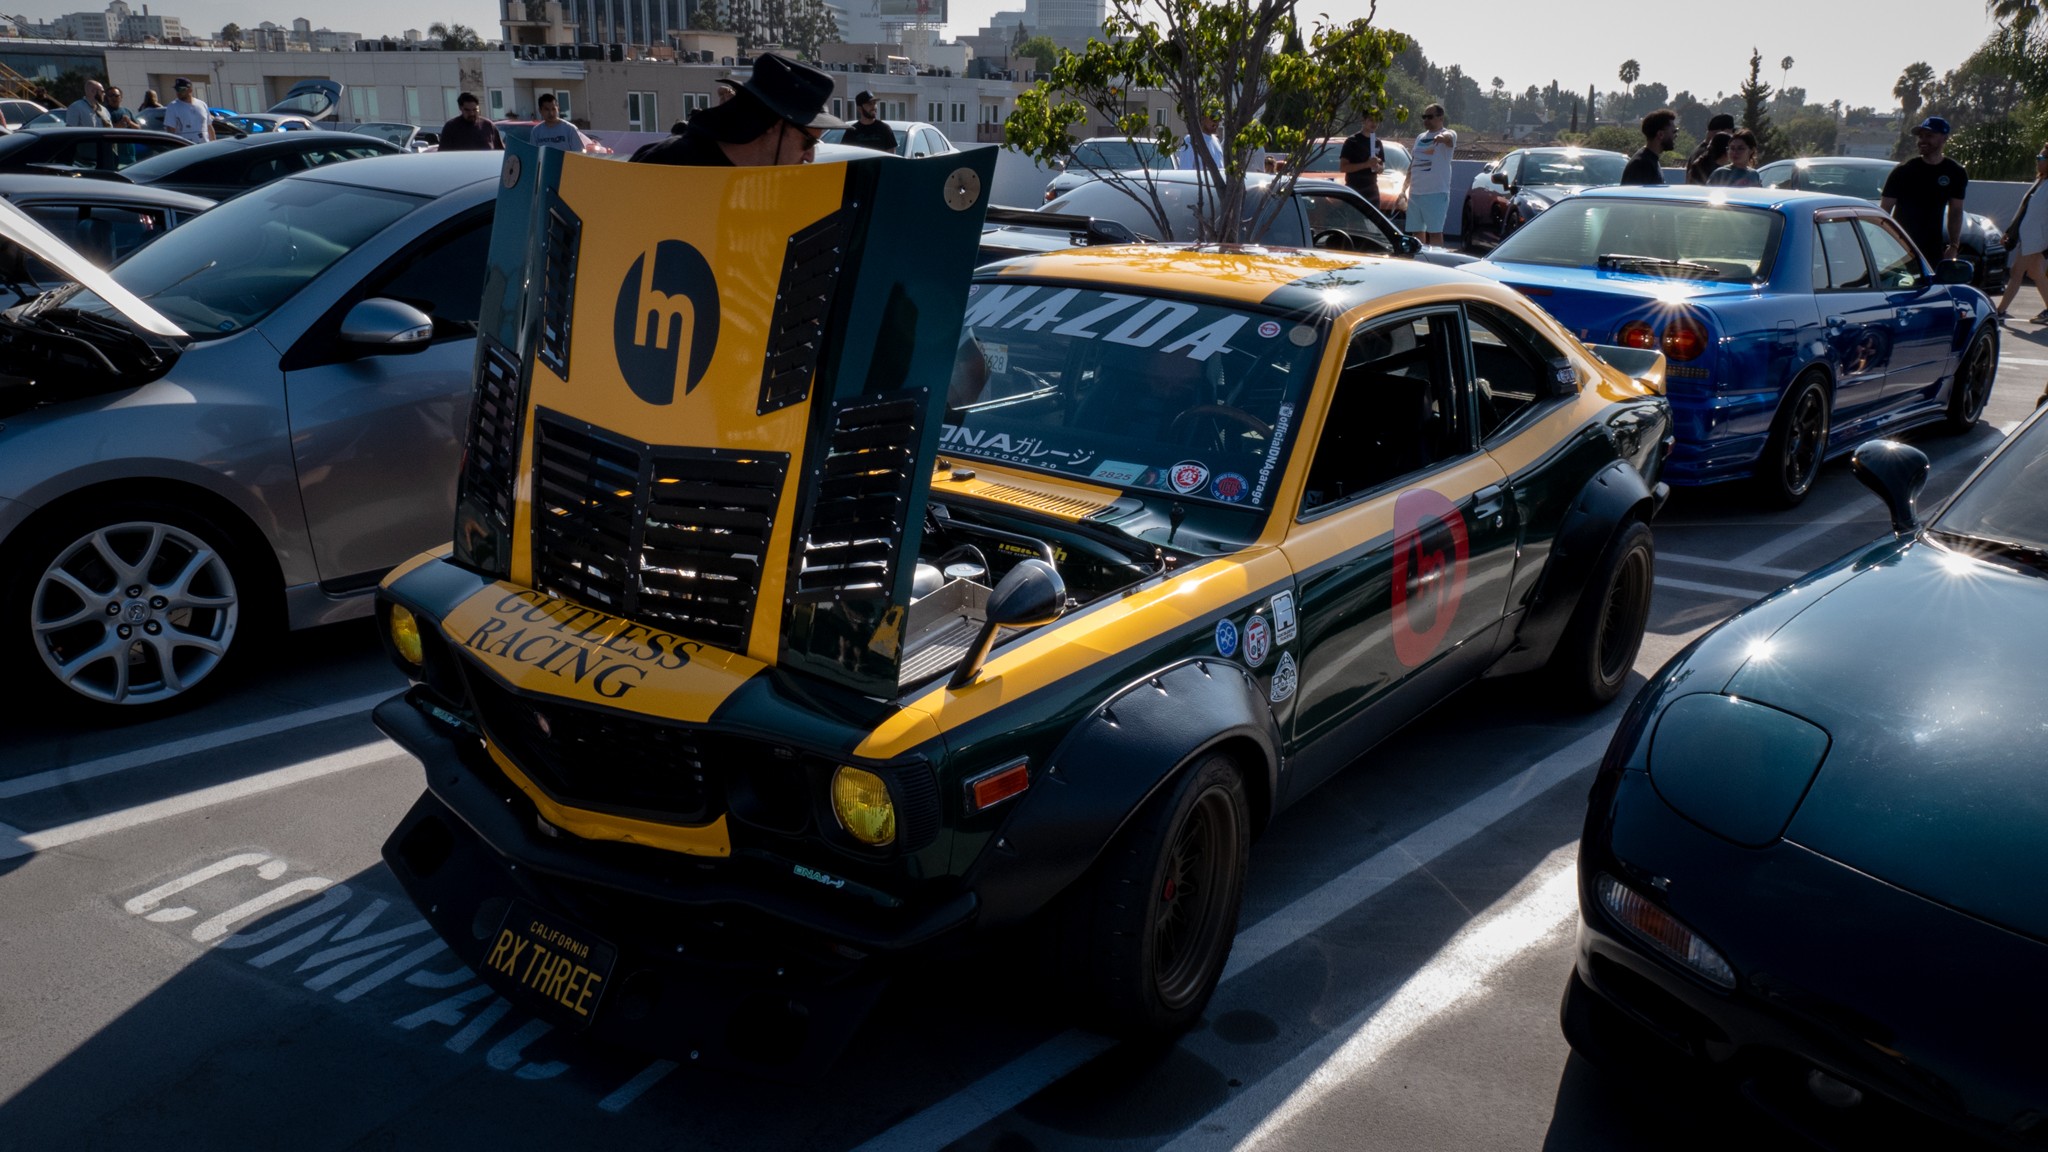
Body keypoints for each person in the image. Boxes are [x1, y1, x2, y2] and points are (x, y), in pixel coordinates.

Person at [632, 53, 846, 168]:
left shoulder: (766, 185)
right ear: (775, 124)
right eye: (808, 142)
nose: (810, 157)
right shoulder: (666, 164)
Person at [1881, 116, 1968, 267]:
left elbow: (1956, 211)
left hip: (1932, 249)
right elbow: (1884, 211)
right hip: (1901, 246)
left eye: (1929, 136)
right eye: (1920, 136)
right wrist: (1887, 243)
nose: (1923, 140)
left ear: (1944, 138)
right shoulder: (1904, 171)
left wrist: (1954, 246)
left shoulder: (1955, 172)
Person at [1994, 143, 2048, 324]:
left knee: (2017, 271)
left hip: (2038, 238)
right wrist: (2011, 231)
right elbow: (2024, 210)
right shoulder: (2041, 181)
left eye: (2041, 158)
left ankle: (2000, 310)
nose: (2038, 161)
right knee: (2035, 273)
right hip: (2030, 236)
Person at [1407, 104, 1456, 247]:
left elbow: (1449, 138)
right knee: (1416, 233)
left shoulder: (1450, 133)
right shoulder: (1420, 137)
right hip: (1415, 193)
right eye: (1424, 117)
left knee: (1435, 233)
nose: (1426, 120)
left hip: (1435, 193)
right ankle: (1419, 262)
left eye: (1430, 117)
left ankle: (1435, 262)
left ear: (1440, 118)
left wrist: (1442, 137)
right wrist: (1405, 188)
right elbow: (1413, 163)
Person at [1621, 108, 1676, 186]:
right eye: (1674, 131)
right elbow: (1636, 197)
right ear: (1660, 134)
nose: (1676, 136)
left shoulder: (1650, 160)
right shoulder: (1642, 164)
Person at [1337, 111, 1385, 198]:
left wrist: (1377, 167)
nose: (1374, 123)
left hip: (1372, 191)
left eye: (1377, 120)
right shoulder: (1351, 141)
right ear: (1363, 121)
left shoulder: (1377, 142)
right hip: (1354, 190)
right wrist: (1366, 164)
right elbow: (1343, 167)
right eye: (1371, 120)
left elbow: (1382, 168)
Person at [439, 91, 503, 151]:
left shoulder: (488, 125)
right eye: (467, 110)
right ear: (460, 108)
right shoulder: (450, 127)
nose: (472, 113)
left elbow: (500, 151)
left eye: (475, 110)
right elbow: (443, 154)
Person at [1684, 113, 1736, 183]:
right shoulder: (1706, 153)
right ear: (1722, 131)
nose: (1733, 135)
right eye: (1732, 131)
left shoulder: (1701, 150)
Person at [162, 79, 212, 144]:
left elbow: (209, 127)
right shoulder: (173, 106)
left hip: (204, 146)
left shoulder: (202, 104)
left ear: (190, 90)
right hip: (185, 147)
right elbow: (171, 130)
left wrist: (214, 146)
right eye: (177, 89)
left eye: (181, 89)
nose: (178, 92)